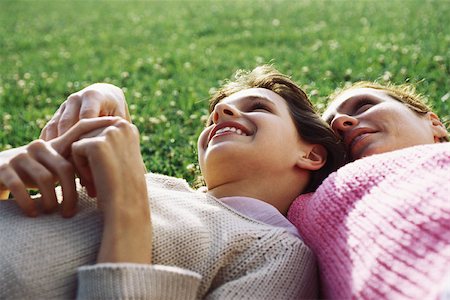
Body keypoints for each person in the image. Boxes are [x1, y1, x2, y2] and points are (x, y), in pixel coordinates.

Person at [0, 65, 346, 299]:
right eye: (216, 111)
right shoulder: (159, 185)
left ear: (311, 155)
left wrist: (129, 209)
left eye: (259, 107)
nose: (220, 114)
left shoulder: (279, 254)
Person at [287, 81, 450, 299]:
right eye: (331, 134)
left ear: (434, 123)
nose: (340, 122)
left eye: (364, 105)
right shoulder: (309, 203)